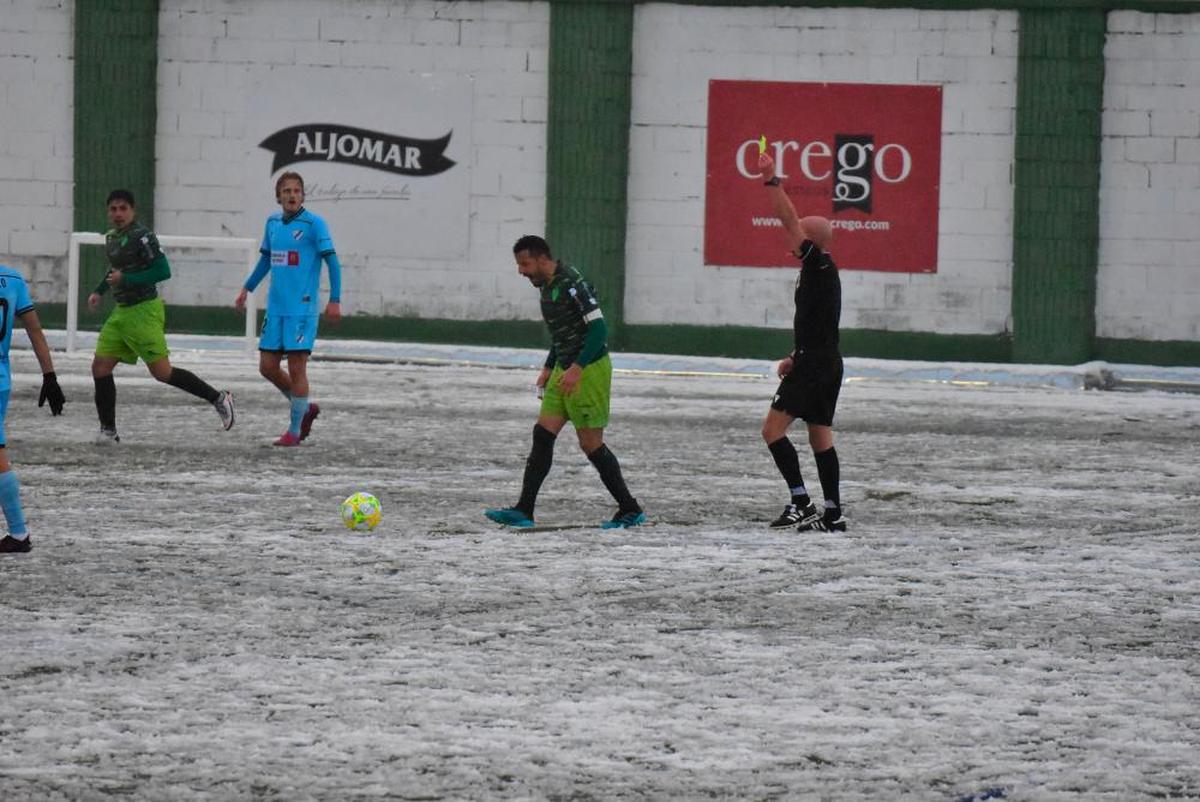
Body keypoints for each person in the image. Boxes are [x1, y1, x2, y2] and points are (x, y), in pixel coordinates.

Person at [485, 235, 645, 529]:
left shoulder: (573, 284)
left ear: (542, 258)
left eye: (525, 264)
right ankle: (524, 510)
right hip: (565, 367)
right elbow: (564, 332)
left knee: (591, 445)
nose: (521, 271)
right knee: (542, 434)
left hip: (589, 369)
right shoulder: (547, 286)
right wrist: (550, 365)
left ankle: (630, 509)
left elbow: (599, 330)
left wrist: (577, 368)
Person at [88, 189, 235, 442]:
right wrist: (99, 291)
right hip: (121, 312)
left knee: (162, 372)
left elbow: (163, 271)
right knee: (100, 367)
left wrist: (128, 279)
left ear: (133, 211)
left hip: (144, 311)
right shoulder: (111, 237)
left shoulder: (143, 236)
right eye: (113, 209)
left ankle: (219, 398)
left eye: (123, 208)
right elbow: (116, 270)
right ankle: (108, 431)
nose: (118, 213)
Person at [758, 152, 847, 532]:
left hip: (816, 366)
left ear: (809, 242)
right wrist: (796, 354)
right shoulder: (824, 271)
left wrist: (770, 178)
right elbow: (819, 325)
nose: (788, 240)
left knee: (772, 431)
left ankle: (800, 501)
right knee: (819, 435)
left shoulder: (817, 263)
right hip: (824, 361)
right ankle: (833, 512)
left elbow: (787, 218)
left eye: (796, 237)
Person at [235, 171, 341, 446]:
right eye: (286, 191)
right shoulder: (272, 223)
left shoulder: (314, 224)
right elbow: (266, 261)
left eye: (296, 190)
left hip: (301, 310)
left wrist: (335, 299)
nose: (292, 195)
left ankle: (294, 431)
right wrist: (247, 288)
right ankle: (304, 408)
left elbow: (333, 262)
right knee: (267, 367)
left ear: (303, 195)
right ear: (278, 196)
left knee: (297, 369)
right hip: (277, 308)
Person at [0, 263, 66, 553]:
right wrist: (49, 375)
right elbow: (34, 329)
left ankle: (18, 532)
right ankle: (18, 533)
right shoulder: (12, 278)